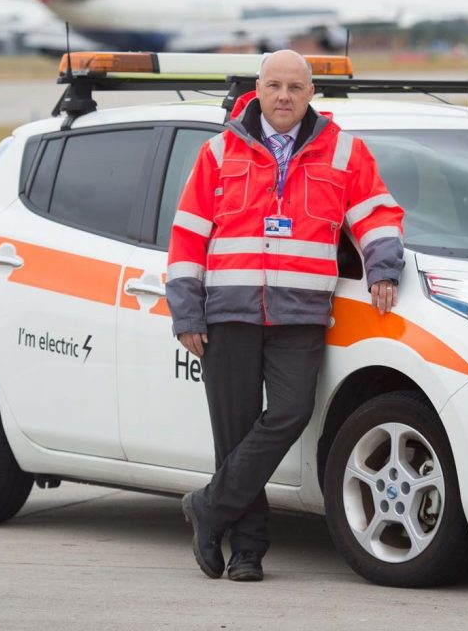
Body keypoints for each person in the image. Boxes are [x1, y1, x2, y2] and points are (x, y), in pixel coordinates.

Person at [166, 49, 404, 582]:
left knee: (292, 411)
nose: (283, 96)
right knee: (234, 433)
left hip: (300, 313)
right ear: (258, 89)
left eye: (295, 87)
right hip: (227, 313)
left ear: (311, 93)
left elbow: (377, 214)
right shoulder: (218, 151)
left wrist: (382, 269)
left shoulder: (343, 151)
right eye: (274, 85)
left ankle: (209, 507)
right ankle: (247, 551)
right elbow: (187, 235)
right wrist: (186, 311)